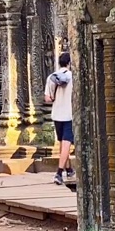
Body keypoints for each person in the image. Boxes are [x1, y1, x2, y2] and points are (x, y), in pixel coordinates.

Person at [43, 51, 74, 186]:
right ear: (69, 63)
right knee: (66, 144)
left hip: (57, 114)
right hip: (69, 114)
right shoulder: (73, 76)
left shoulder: (51, 77)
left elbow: (47, 98)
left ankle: (69, 169)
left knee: (62, 143)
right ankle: (59, 172)